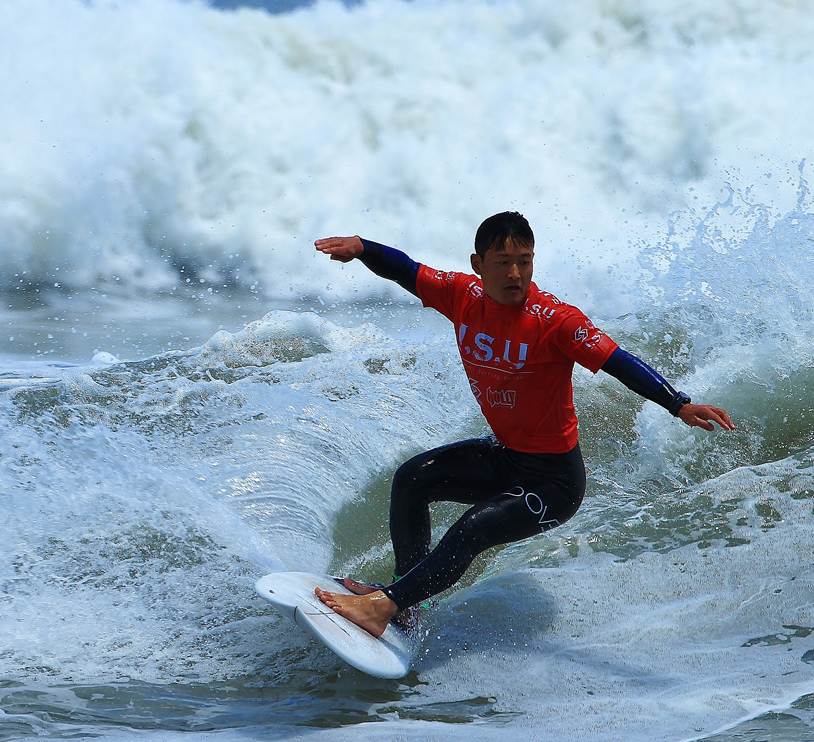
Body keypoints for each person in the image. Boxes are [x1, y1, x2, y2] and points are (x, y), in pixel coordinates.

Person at [312, 212, 734, 638]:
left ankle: (384, 606)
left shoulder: (556, 320)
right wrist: (362, 248)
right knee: (412, 479)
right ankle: (403, 602)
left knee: (472, 529)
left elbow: (618, 361)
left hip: (554, 482)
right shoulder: (461, 295)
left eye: (524, 261)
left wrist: (678, 404)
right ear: (478, 264)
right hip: (507, 457)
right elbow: (406, 270)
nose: (515, 273)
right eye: (503, 262)